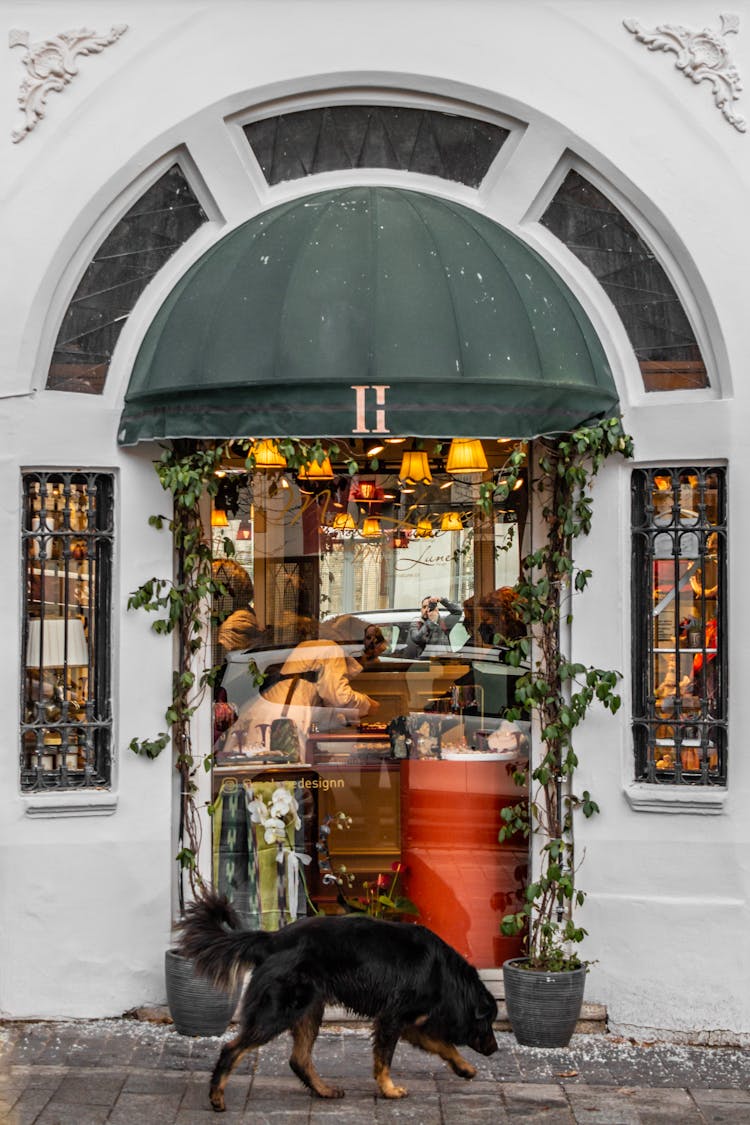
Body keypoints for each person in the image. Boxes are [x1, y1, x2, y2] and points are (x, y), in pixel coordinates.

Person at [217, 637, 379, 760]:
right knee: (278, 777)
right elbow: (339, 698)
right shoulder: (330, 648)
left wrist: (344, 718)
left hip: (265, 709)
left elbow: (319, 706)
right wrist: (368, 705)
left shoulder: (311, 647)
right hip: (282, 719)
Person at [403, 594, 462, 659]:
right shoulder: (416, 623)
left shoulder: (443, 622)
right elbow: (417, 639)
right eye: (424, 607)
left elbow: (458, 612)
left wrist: (441, 600)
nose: (426, 610)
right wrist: (431, 621)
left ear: (436, 609)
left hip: (443, 663)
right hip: (425, 664)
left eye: (430, 607)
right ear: (421, 610)